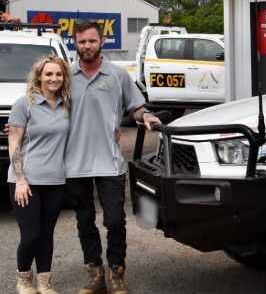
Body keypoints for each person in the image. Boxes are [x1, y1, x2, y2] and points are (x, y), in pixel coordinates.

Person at [65, 21, 160, 294]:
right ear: (75, 43)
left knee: (115, 220)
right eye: (82, 42)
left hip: (109, 162)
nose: (87, 46)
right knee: (85, 221)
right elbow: (46, 108)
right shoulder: (66, 75)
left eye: (92, 41)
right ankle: (95, 275)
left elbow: (136, 107)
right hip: (74, 164)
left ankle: (116, 273)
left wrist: (147, 116)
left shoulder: (117, 74)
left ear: (102, 42)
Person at [7, 55, 72, 294]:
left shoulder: (68, 105)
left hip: (56, 180)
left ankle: (44, 282)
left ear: (64, 77)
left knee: (46, 234)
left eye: (58, 74)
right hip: (27, 181)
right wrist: (20, 180)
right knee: (31, 236)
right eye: (49, 74)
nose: (54, 78)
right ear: (39, 77)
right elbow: (14, 143)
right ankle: (24, 278)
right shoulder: (24, 104)